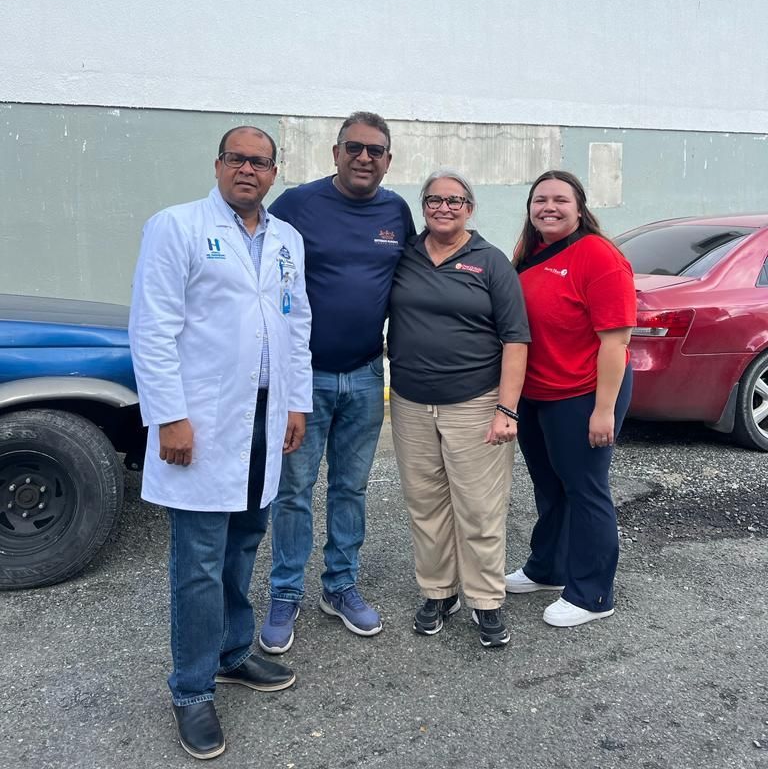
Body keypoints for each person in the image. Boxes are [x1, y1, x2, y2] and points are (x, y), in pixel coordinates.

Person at [129, 126, 312, 761]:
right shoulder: (175, 227)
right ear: (218, 164)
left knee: (244, 545)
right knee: (200, 561)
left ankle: (235, 653)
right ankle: (190, 689)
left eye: (261, 163)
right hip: (203, 420)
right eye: (238, 159)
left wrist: (297, 402)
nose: (248, 170)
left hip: (264, 417)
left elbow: (296, 324)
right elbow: (152, 329)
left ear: (273, 173)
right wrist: (170, 416)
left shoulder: (286, 239)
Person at [258, 112, 415, 653]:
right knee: (294, 490)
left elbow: (415, 279)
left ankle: (340, 586)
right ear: (335, 152)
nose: (364, 157)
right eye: (355, 148)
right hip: (305, 380)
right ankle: (285, 593)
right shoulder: (298, 204)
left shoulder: (396, 211)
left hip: (369, 375)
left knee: (351, 487)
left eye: (375, 150)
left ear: (388, 160)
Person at [386, 170, 530, 648]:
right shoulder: (404, 254)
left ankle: (486, 600)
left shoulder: (490, 263)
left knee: (479, 508)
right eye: (433, 200)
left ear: (470, 207)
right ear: (423, 206)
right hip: (410, 403)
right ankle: (438, 592)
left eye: (454, 200)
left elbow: (516, 339)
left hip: (475, 402)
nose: (443, 208)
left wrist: (507, 409)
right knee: (425, 504)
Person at [504, 170, 636, 628]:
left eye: (560, 199)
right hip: (537, 394)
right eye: (540, 199)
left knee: (585, 490)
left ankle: (593, 593)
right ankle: (549, 568)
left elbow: (615, 342)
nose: (549, 207)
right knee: (550, 487)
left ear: (579, 208)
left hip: (581, 395)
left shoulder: (599, 256)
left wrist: (603, 410)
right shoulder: (528, 252)